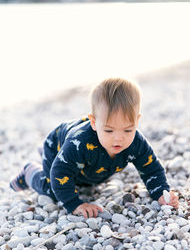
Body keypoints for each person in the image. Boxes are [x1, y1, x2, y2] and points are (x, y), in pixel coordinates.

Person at [10, 78, 179, 218]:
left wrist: (161, 194)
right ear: (94, 122)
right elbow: (59, 173)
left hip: (81, 158)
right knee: (53, 189)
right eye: (108, 130)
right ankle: (30, 172)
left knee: (88, 182)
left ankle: (65, 158)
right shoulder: (81, 142)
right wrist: (74, 204)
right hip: (58, 145)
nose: (119, 138)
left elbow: (152, 169)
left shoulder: (136, 142)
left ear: (137, 121)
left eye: (128, 129)